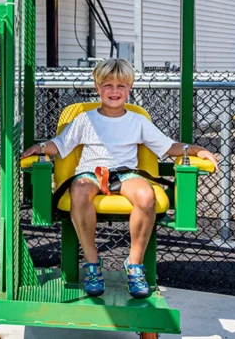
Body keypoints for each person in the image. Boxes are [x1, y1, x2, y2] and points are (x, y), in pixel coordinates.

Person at [21, 58, 218, 299]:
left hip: (125, 173)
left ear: (130, 88)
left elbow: (168, 146)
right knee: (80, 190)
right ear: (97, 87)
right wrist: (40, 148)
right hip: (91, 173)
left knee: (146, 196)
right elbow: (61, 144)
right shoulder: (85, 119)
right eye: (108, 85)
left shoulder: (137, 121)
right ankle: (93, 263)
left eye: (121, 86)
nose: (114, 91)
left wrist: (196, 149)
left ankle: (134, 265)